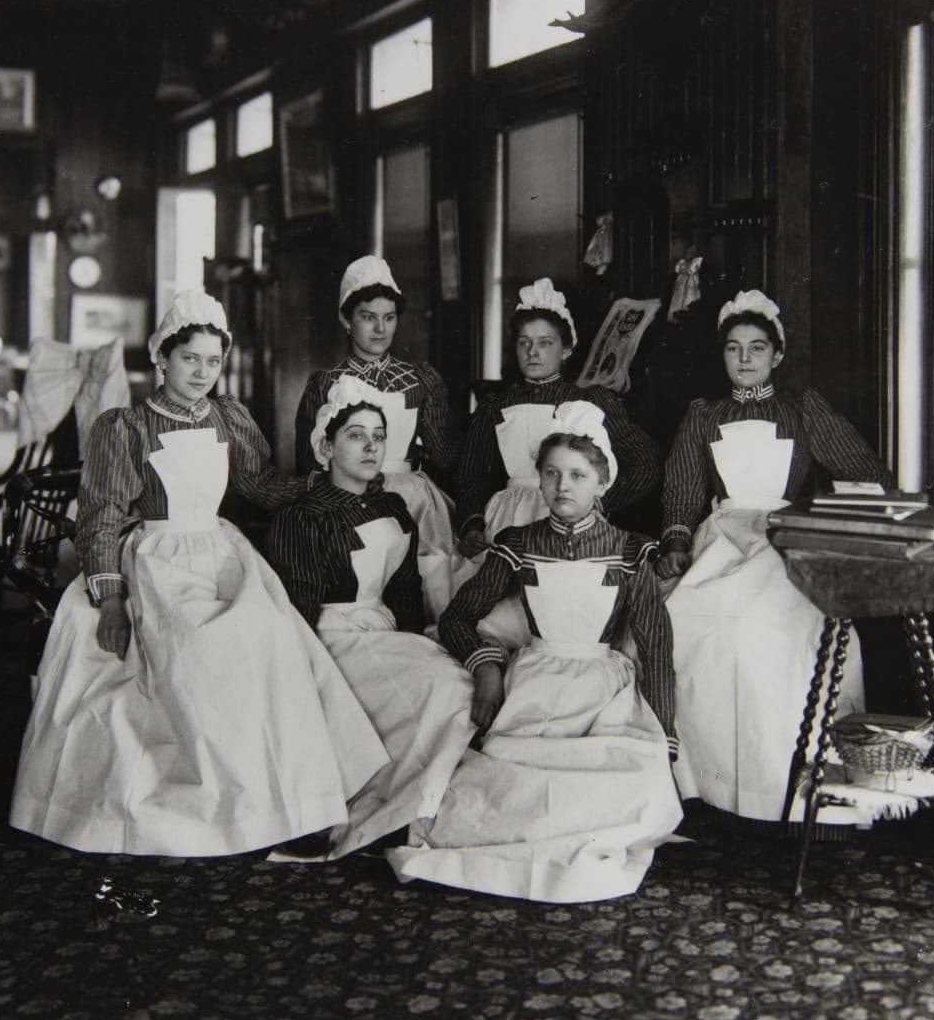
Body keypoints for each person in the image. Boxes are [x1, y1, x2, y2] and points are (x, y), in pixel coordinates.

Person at [9, 291, 388, 857]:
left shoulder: (228, 417)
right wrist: (111, 599)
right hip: (157, 561)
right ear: (162, 358)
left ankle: (277, 805)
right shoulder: (127, 427)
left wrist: (324, 482)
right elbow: (103, 515)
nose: (202, 374)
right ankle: (204, 810)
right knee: (198, 652)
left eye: (213, 362)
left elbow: (258, 486)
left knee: (271, 639)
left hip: (221, 552)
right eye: (190, 360)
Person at [388, 403, 686, 903]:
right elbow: (459, 618)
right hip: (536, 685)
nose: (562, 486)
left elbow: (656, 649)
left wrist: (666, 736)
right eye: (551, 474)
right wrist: (486, 666)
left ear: (602, 481)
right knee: (508, 793)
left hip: (602, 688)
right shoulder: (517, 544)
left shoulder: (632, 552)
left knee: (623, 786)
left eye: (577, 474)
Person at [656, 289, 893, 826]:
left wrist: (826, 524)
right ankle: (704, 785)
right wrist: (675, 539)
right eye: (733, 348)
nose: (744, 359)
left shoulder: (802, 408)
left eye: (757, 348)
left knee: (768, 630)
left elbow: (863, 471)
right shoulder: (703, 414)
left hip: (783, 536)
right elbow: (683, 486)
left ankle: (781, 789)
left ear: (777, 355)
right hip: (721, 537)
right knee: (687, 622)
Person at [265, 377, 475, 859]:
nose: (370, 446)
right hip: (330, 642)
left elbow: (404, 591)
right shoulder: (303, 516)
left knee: (450, 678)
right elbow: (296, 610)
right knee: (442, 688)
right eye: (356, 435)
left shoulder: (393, 505)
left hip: (383, 635)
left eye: (378, 436)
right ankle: (391, 810)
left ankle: (412, 805)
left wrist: (412, 642)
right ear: (327, 446)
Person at [294, 255, 459, 618]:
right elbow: (309, 465)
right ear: (346, 319)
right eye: (368, 317)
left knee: (427, 591)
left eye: (389, 317)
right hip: (348, 500)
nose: (380, 329)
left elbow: (445, 456)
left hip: (415, 498)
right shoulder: (326, 384)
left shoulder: (421, 380)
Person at [455, 277, 662, 557]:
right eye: (524, 342)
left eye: (545, 342)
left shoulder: (589, 400)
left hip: (573, 520)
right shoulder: (495, 407)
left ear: (566, 350)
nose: (533, 352)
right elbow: (472, 477)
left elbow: (645, 460)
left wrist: (598, 499)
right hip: (507, 520)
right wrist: (472, 524)